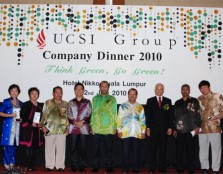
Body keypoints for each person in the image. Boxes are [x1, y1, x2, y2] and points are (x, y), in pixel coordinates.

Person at [40, 86, 69, 172]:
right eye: (57, 92)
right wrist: (42, 127)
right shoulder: (48, 102)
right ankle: (49, 166)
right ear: (53, 93)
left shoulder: (65, 104)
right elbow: (44, 115)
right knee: (49, 148)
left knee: (61, 149)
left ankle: (60, 166)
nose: (59, 94)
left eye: (60, 92)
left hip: (62, 129)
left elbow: (67, 117)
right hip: (49, 129)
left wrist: (67, 128)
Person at [145, 83, 173, 173]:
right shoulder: (150, 100)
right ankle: (152, 168)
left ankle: (162, 168)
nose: (159, 90)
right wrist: (148, 128)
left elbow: (170, 116)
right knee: (152, 149)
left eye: (161, 89)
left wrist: (170, 127)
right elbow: (148, 115)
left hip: (164, 130)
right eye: (157, 89)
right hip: (153, 129)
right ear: (155, 90)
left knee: (163, 149)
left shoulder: (168, 101)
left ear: (163, 90)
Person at [90, 81, 117, 173]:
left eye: (106, 86)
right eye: (102, 86)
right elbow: (93, 113)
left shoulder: (113, 99)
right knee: (95, 150)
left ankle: (109, 167)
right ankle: (95, 167)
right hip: (97, 128)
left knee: (109, 150)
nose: (104, 88)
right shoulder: (95, 99)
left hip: (108, 128)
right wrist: (91, 126)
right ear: (100, 87)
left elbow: (114, 113)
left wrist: (115, 126)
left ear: (108, 88)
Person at [117, 88, 146, 174]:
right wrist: (119, 130)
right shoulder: (122, 106)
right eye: (130, 94)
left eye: (134, 94)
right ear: (128, 95)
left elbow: (143, 119)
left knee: (136, 151)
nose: (132, 96)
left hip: (137, 132)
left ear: (136, 96)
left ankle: (136, 168)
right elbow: (119, 119)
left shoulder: (140, 107)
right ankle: (125, 169)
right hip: (125, 132)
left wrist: (143, 132)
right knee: (125, 152)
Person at [173, 84, 201, 174]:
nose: (185, 91)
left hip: (191, 129)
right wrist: (174, 129)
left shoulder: (194, 101)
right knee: (179, 151)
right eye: (183, 89)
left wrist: (197, 127)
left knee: (191, 150)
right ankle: (180, 168)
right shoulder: (177, 102)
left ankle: (191, 168)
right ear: (181, 91)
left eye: (187, 89)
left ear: (189, 91)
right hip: (180, 130)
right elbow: (174, 116)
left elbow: (198, 115)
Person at [198, 80, 223, 174]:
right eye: (201, 88)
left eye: (204, 87)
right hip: (202, 127)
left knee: (216, 149)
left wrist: (218, 116)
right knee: (203, 149)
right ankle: (204, 167)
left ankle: (215, 169)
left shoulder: (218, 96)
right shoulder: (199, 99)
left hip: (214, 126)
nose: (203, 89)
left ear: (209, 87)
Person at [67, 83, 92, 172]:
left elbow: (89, 114)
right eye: (77, 89)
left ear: (83, 90)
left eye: (80, 89)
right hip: (73, 128)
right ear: (74, 91)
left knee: (83, 148)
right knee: (73, 148)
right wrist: (74, 122)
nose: (79, 90)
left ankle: (82, 166)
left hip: (84, 128)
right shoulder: (70, 102)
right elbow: (69, 114)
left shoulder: (88, 102)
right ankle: (74, 165)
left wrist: (82, 122)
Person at [20, 87, 44, 171]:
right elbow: (23, 116)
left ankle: (32, 166)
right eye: (32, 93)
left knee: (33, 148)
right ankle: (27, 165)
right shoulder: (26, 104)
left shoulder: (40, 105)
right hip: (28, 129)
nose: (34, 95)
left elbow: (43, 116)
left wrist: (41, 123)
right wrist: (31, 123)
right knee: (28, 147)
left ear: (38, 95)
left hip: (36, 129)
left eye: (36, 93)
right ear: (29, 95)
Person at [0, 84, 23, 170]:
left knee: (13, 145)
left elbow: (22, 116)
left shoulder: (21, 103)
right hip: (8, 126)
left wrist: (21, 120)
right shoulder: (6, 101)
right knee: (7, 145)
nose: (14, 93)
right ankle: (6, 163)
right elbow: (0, 112)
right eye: (12, 91)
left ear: (18, 92)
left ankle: (12, 163)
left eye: (16, 91)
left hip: (17, 126)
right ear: (9, 92)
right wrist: (10, 115)